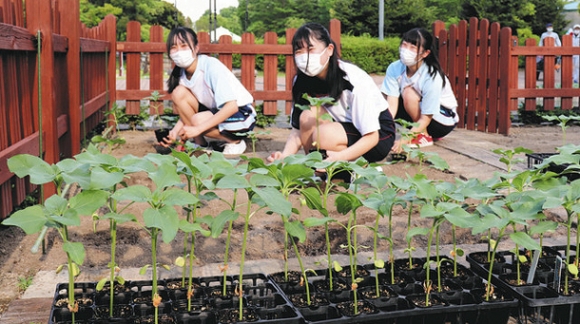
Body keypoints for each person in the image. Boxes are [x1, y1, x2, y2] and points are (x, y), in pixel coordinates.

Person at [267, 22, 395, 164]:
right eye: (299, 51)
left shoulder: (353, 79)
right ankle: (317, 169)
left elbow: (372, 136)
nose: (305, 56)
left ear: (329, 49)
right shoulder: (301, 81)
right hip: (339, 129)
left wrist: (340, 157)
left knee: (325, 134)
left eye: (310, 49)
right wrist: (284, 156)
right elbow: (298, 131)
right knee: (307, 116)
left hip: (376, 137)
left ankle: (344, 172)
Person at [160, 26, 256, 155]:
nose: (178, 51)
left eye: (184, 46)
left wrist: (197, 128)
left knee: (198, 120)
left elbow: (232, 107)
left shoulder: (210, 66)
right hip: (217, 112)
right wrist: (175, 132)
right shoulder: (181, 75)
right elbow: (187, 113)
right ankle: (200, 144)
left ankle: (235, 141)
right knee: (179, 93)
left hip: (242, 114)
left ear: (196, 48)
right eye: (173, 47)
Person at [380, 27, 458, 153]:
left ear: (425, 53)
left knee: (409, 92)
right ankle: (418, 132)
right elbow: (392, 104)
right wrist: (384, 131)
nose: (406, 50)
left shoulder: (431, 76)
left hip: (442, 121)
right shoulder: (395, 68)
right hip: (420, 116)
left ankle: (424, 136)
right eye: (404, 45)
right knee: (384, 96)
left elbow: (427, 117)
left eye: (413, 48)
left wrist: (404, 139)